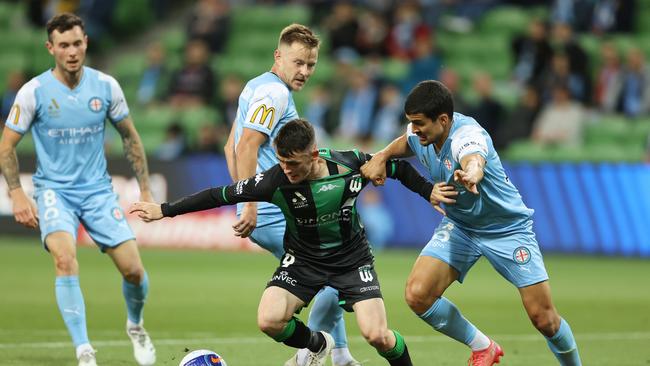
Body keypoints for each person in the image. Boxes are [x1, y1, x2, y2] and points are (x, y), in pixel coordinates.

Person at [131, 119, 433, 366]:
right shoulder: (274, 181)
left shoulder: (349, 165)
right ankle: (316, 344)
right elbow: (218, 194)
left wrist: (428, 192)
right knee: (269, 320)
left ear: (314, 155)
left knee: (377, 335)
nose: (286, 170)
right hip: (303, 261)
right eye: (281, 162)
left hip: (352, 261)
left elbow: (398, 168)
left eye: (293, 163)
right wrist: (164, 210)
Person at [361, 80, 582, 366]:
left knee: (544, 319)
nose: (414, 129)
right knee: (418, 295)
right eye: (411, 123)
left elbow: (474, 158)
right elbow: (406, 141)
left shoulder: (468, 135)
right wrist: (382, 155)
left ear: (443, 120)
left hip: (506, 229)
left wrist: (473, 173)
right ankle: (483, 346)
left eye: (418, 123)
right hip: (462, 226)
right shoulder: (420, 133)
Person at [0, 13, 156, 366]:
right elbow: (6, 145)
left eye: (77, 43)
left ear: (86, 42)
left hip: (98, 192)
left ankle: (136, 325)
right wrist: (16, 193)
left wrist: (146, 191)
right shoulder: (34, 92)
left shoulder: (106, 87)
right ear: (50, 48)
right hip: (54, 191)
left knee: (134, 271)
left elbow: (130, 137)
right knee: (65, 259)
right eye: (64, 45)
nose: (72, 52)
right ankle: (84, 350)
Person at [222, 24, 358, 366]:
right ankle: (309, 353)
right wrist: (249, 205)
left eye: (311, 65)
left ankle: (340, 356)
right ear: (278, 56)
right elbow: (247, 145)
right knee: (334, 276)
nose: (305, 72)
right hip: (276, 212)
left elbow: (230, 146)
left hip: (276, 210)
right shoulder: (275, 95)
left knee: (334, 278)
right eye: (298, 63)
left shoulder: (255, 86)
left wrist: (244, 202)